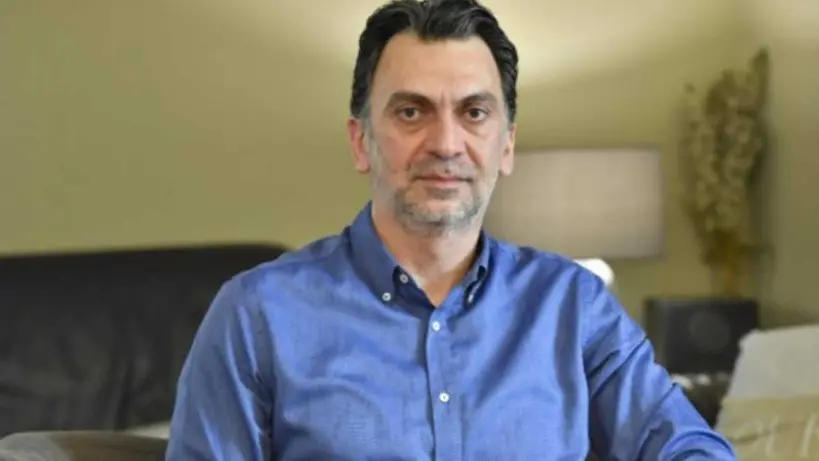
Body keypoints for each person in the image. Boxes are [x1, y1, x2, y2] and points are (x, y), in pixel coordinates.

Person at [165, 0, 738, 459]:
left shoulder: (574, 307)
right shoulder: (256, 315)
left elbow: (689, 447)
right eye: (411, 112)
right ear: (361, 141)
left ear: (506, 144)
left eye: (474, 113)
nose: (445, 144)